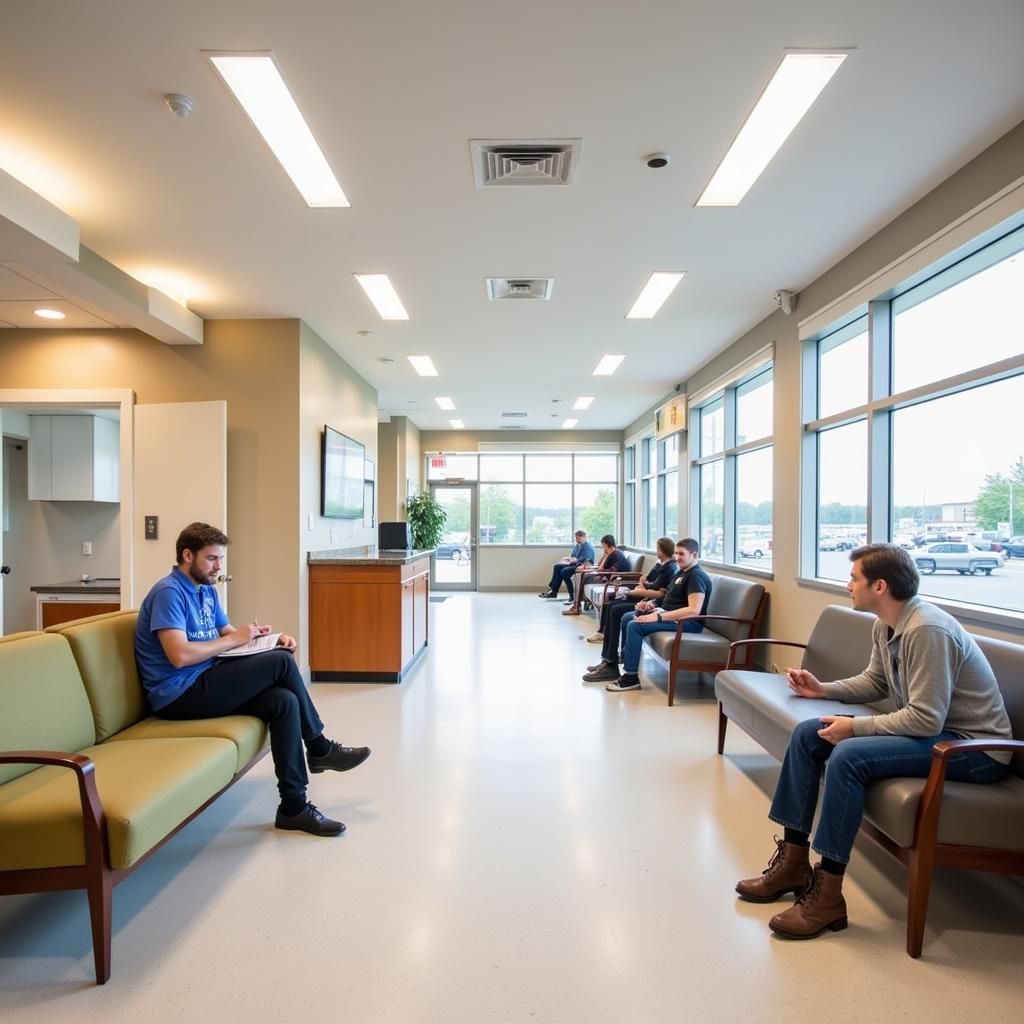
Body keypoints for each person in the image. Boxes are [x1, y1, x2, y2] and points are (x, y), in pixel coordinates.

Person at [735, 543, 1012, 940]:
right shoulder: (885, 624)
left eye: (854, 578)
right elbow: (876, 682)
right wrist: (822, 689)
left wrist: (854, 728)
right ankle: (793, 864)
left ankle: (828, 894)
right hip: (938, 735)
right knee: (806, 734)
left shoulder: (926, 630)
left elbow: (926, 717)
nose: (848, 585)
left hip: (975, 750)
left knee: (848, 755)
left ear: (879, 585)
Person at [134, 522, 371, 838]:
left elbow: (228, 634)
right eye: (212, 559)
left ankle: (293, 808)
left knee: (283, 702)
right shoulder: (169, 592)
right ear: (187, 555)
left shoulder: (206, 590)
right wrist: (237, 641)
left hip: (205, 679)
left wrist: (268, 639)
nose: (218, 567)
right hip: (177, 695)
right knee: (282, 664)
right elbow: (179, 656)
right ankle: (319, 747)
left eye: (221, 559)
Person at [597, 538, 711, 689]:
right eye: (676, 553)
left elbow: (693, 610)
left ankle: (631, 678)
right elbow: (667, 597)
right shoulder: (682, 573)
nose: (677, 557)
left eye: (681, 554)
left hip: (688, 623)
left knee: (635, 625)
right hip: (670, 615)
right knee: (627, 617)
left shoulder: (696, 576)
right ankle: (624, 659)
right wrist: (650, 604)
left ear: (694, 554)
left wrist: (657, 616)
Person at [584, 536, 678, 650]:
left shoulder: (670, 567)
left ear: (663, 550)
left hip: (648, 600)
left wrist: (644, 586)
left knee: (615, 608)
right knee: (608, 604)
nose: (656, 551)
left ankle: (613, 652)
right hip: (644, 593)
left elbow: (655, 586)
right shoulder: (660, 563)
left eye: (657, 548)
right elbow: (646, 578)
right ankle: (603, 640)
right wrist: (644, 584)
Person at [561, 535, 632, 616]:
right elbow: (599, 566)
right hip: (606, 576)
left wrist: (596, 571)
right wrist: (587, 567)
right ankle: (577, 606)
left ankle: (576, 607)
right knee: (579, 575)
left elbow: (613, 570)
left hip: (615, 579)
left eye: (603, 546)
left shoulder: (617, 554)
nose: (603, 548)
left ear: (606, 545)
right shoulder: (610, 554)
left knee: (582, 576)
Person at [539, 530, 595, 600]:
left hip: (582, 566)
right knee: (557, 566)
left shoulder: (587, 547)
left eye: (579, 538)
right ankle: (554, 591)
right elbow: (574, 556)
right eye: (576, 538)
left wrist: (575, 560)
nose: (577, 540)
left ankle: (572, 595)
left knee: (564, 571)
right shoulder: (578, 545)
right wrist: (569, 559)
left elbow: (587, 560)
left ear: (584, 537)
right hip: (575, 564)